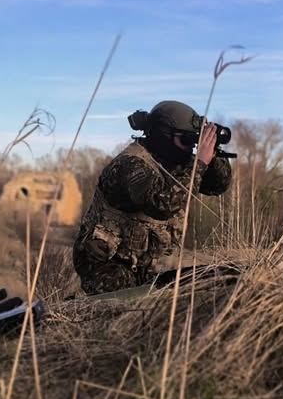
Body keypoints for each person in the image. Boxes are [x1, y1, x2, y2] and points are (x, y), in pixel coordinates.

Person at [72, 100, 232, 295]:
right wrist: (200, 163)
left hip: (142, 266)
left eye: (194, 141)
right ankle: (77, 305)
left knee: (217, 278)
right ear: (164, 136)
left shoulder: (173, 162)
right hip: (104, 265)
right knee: (136, 299)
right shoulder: (130, 165)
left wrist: (213, 155)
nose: (190, 147)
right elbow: (163, 205)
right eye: (186, 139)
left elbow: (217, 185)